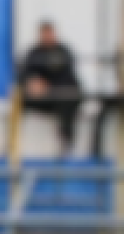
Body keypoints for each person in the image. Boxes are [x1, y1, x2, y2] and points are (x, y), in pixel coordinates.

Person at [16, 20, 85, 154]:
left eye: (50, 33)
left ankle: (66, 143)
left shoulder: (64, 52)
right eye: (44, 33)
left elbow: (68, 78)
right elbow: (23, 74)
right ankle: (11, 144)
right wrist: (32, 82)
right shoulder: (34, 53)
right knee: (16, 99)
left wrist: (48, 86)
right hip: (40, 99)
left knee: (68, 100)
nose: (47, 36)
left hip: (61, 98)